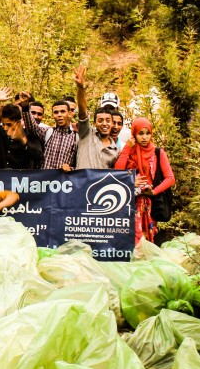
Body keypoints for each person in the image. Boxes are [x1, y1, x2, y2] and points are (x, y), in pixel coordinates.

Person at [115, 117, 175, 245]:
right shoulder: (129, 151)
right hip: (130, 202)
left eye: (147, 133)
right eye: (140, 133)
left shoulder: (158, 152)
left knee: (148, 239)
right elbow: (118, 172)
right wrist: (126, 149)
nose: (144, 137)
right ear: (134, 134)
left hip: (151, 204)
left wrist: (153, 192)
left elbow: (170, 178)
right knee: (131, 238)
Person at [72, 65, 119, 169]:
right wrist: (80, 87)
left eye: (108, 120)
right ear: (94, 123)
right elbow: (82, 111)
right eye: (100, 120)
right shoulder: (87, 134)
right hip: (80, 184)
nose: (104, 124)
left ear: (112, 123)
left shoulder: (116, 150)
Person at [42, 100, 77, 171]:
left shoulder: (76, 137)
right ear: (52, 115)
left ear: (69, 113)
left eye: (62, 111)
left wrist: (71, 169)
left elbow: (82, 164)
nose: (59, 115)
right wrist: (25, 107)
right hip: (44, 180)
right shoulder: (47, 132)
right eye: (56, 112)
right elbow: (31, 127)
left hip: (63, 180)